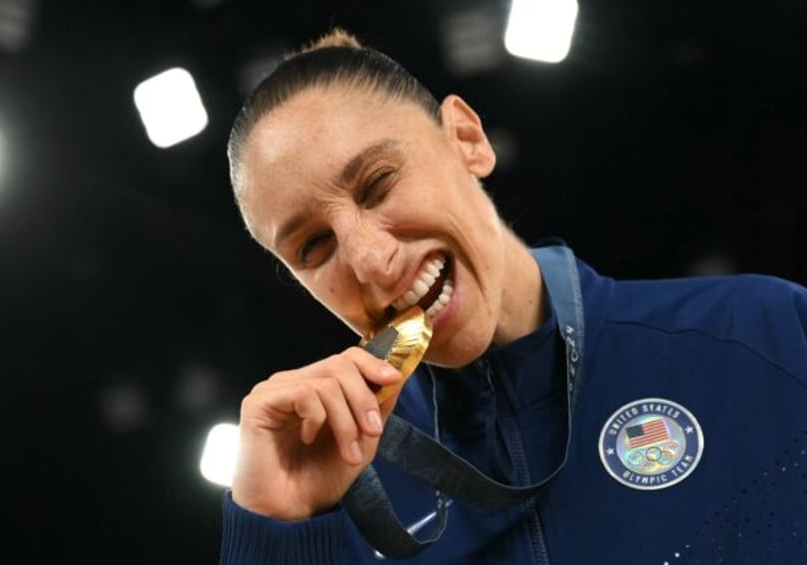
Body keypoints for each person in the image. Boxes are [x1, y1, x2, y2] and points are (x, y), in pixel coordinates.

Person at [219, 27, 807, 564]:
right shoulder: (332, 492)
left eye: (378, 184)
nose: (371, 260)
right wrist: (271, 528)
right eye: (315, 247)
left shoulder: (764, 336)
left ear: (467, 139)